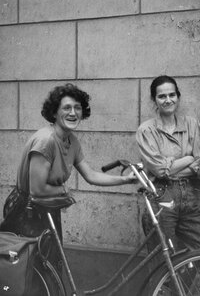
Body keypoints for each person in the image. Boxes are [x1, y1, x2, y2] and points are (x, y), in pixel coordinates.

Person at [0, 83, 136, 270]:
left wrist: (125, 180)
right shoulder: (46, 140)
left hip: (47, 207)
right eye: (67, 108)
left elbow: (90, 175)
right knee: (28, 270)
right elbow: (37, 189)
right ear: (54, 113)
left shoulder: (71, 140)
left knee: (51, 266)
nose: (73, 113)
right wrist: (64, 190)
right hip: (26, 210)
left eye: (77, 108)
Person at [136, 75, 200, 254]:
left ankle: (199, 284)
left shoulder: (191, 124)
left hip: (188, 196)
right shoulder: (146, 130)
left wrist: (170, 167)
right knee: (165, 261)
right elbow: (159, 170)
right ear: (154, 100)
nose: (168, 100)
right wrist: (188, 159)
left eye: (172, 95)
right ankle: (161, 284)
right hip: (160, 196)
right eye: (162, 96)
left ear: (178, 97)